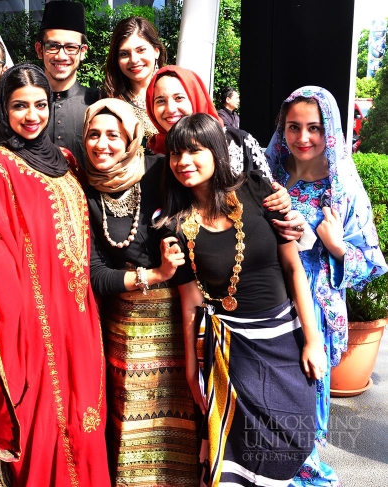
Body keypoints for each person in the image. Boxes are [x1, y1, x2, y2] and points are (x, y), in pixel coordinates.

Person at [0, 63, 109, 487]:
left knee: (87, 413)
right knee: (47, 417)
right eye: (19, 106)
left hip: (80, 313)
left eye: (40, 105)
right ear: (4, 109)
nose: (31, 115)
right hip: (37, 320)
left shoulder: (68, 161)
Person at [157, 113, 326, 486]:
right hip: (229, 353)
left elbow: (294, 268)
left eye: (194, 151)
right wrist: (190, 368)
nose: (183, 162)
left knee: (291, 440)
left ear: (217, 152)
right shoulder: (175, 224)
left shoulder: (257, 190)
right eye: (175, 154)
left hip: (283, 340)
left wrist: (313, 339)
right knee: (235, 456)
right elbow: (190, 303)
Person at [265, 86, 387, 487]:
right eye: (293, 127)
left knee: (305, 398)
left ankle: (311, 476)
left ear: (330, 131)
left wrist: (334, 246)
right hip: (267, 298)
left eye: (314, 128)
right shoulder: (270, 173)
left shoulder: (343, 187)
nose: (303, 138)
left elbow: (371, 261)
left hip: (314, 308)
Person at [82, 98, 198, 486]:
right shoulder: (83, 186)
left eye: (113, 134)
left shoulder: (161, 171)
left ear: (132, 137)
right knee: (127, 425)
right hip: (119, 326)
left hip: (171, 319)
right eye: (93, 135)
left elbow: (210, 199)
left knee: (174, 419)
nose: (102, 144)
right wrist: (154, 273)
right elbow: (95, 274)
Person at [144, 65, 310, 244]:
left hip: (248, 255)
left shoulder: (237, 142)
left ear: (195, 96)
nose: (170, 108)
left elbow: (271, 204)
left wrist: (289, 219)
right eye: (160, 101)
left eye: (179, 98)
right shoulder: (153, 154)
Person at [35, 0, 100, 168]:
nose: (61, 56)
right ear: (39, 50)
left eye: (71, 47)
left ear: (83, 51)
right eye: (53, 46)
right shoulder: (26, 106)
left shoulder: (98, 102)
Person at [102, 16, 167, 150]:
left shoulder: (177, 93)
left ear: (156, 51)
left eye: (141, 50)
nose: (134, 60)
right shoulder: (110, 101)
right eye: (124, 54)